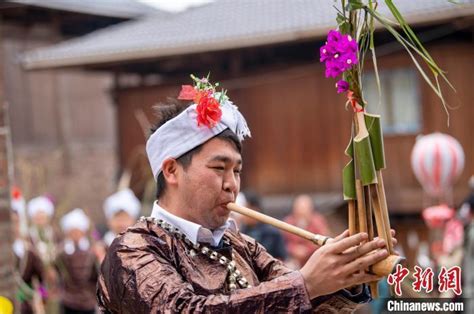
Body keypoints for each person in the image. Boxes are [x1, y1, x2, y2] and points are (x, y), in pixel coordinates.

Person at [97, 76, 394, 312]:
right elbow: (185, 309)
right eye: (219, 168)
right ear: (172, 171)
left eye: (237, 171)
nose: (232, 184)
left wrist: (350, 269)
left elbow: (301, 303)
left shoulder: (240, 245)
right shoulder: (133, 250)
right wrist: (305, 283)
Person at [56, 209, 99, 314]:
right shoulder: (61, 253)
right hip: (68, 301)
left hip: (88, 301)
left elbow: (96, 275)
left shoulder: (91, 252)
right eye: (72, 231)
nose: (75, 234)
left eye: (78, 231)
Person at [11, 187, 46, 314]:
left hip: (25, 306)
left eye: (15, 222)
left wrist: (40, 296)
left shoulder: (28, 251)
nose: (12, 226)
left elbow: (42, 277)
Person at [238, 190, 288, 260]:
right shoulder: (240, 233)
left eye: (244, 208)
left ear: (254, 209)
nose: (241, 215)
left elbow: (281, 258)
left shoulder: (272, 233)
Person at [284, 194, 330, 268]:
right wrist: (293, 249)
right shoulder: (288, 222)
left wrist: (307, 250)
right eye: (299, 207)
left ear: (311, 209)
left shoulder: (318, 221)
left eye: (304, 208)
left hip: (315, 259)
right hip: (293, 260)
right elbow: (283, 242)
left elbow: (324, 240)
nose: (302, 211)